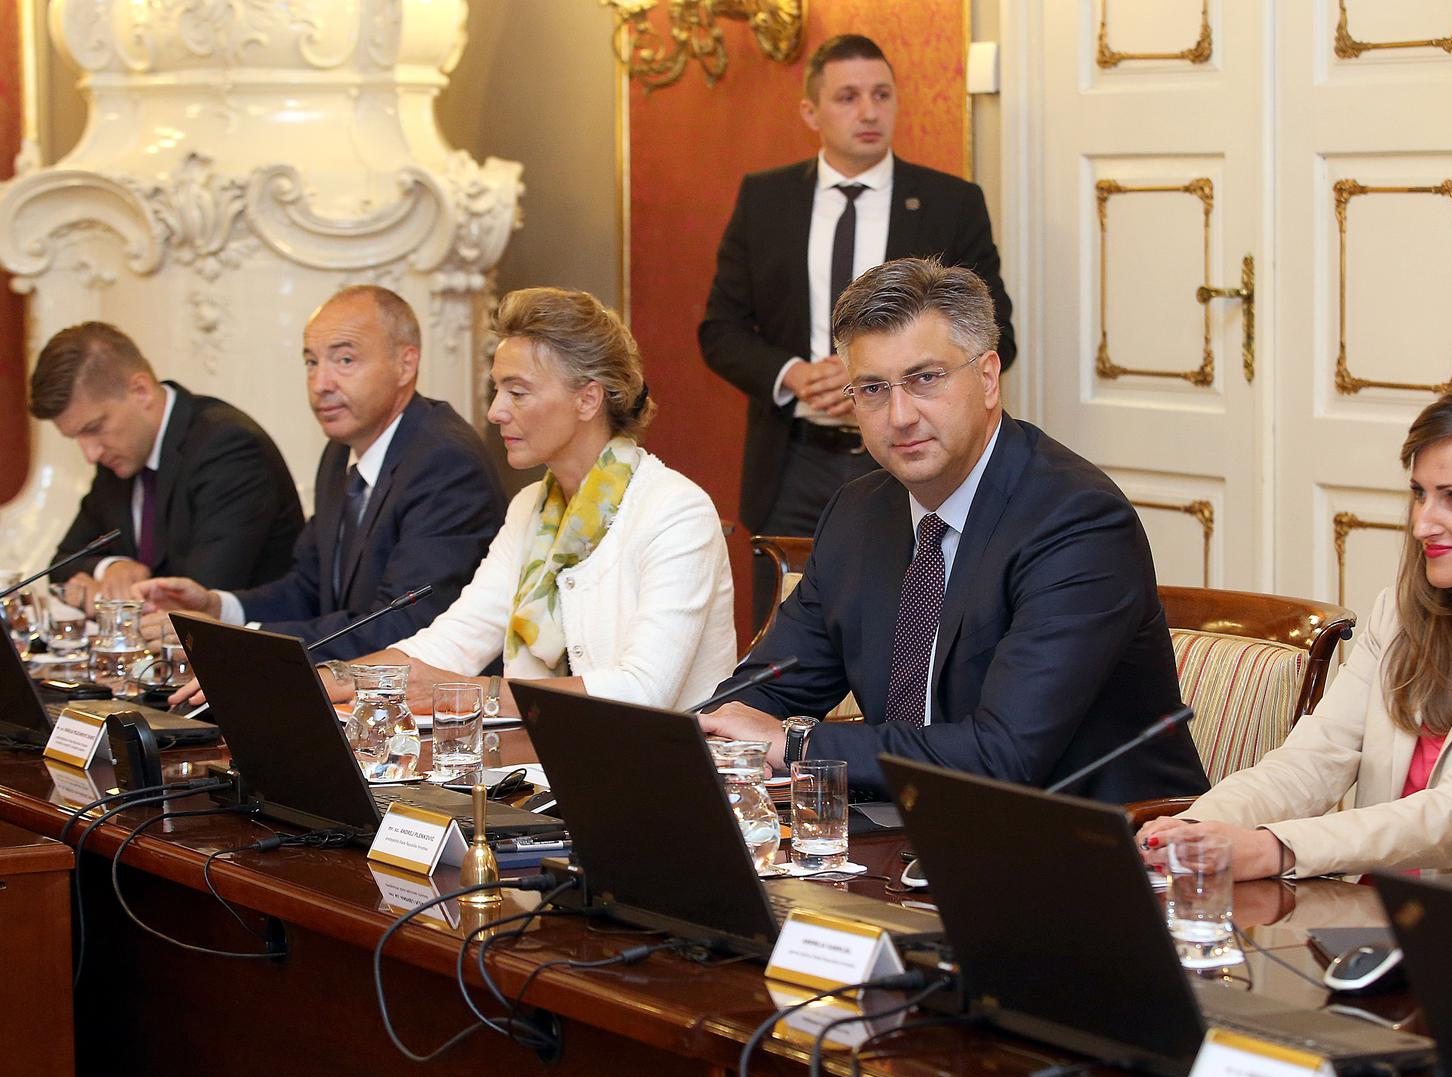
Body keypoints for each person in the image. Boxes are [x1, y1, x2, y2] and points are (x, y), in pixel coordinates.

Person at [700, 257, 1207, 802]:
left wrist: (797, 744)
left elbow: (1003, 756)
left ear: (987, 378)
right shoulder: (858, 513)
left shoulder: (1077, 522)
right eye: (872, 389)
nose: (900, 415)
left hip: (1097, 835)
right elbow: (766, 690)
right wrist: (723, 727)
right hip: (909, 824)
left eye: (925, 379)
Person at [1138, 381, 1452, 886]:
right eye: (1419, 494)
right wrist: (1197, 827)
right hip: (1362, 912)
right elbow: (1314, 759)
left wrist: (1274, 847)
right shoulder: (1400, 615)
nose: (1423, 524)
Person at [699, 33, 1017, 631]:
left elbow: (997, 336)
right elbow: (720, 330)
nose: (869, 112)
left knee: (908, 629)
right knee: (788, 634)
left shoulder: (950, 203)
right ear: (811, 111)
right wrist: (793, 376)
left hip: (913, 457)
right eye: (848, 97)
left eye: (881, 95)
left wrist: (880, 385)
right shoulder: (765, 199)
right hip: (793, 461)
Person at [325, 286, 737, 713]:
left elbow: (643, 692)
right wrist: (328, 681)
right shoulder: (529, 507)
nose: (495, 412)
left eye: (517, 393)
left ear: (588, 399)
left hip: (657, 755)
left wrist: (473, 692)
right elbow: (454, 642)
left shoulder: (675, 511)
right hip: (544, 750)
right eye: (497, 390)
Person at [137, 286, 505, 660]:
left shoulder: (444, 462)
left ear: (405, 365)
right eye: (311, 362)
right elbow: (308, 588)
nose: (320, 385)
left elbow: (402, 627)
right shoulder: (340, 451)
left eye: (345, 360)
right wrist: (219, 608)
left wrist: (233, 641)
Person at [29, 321, 303, 602]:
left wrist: (106, 600)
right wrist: (110, 568)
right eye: (76, 437)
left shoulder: (228, 449)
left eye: (94, 428)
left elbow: (197, 600)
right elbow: (62, 563)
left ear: (141, 391)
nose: (90, 454)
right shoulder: (118, 455)